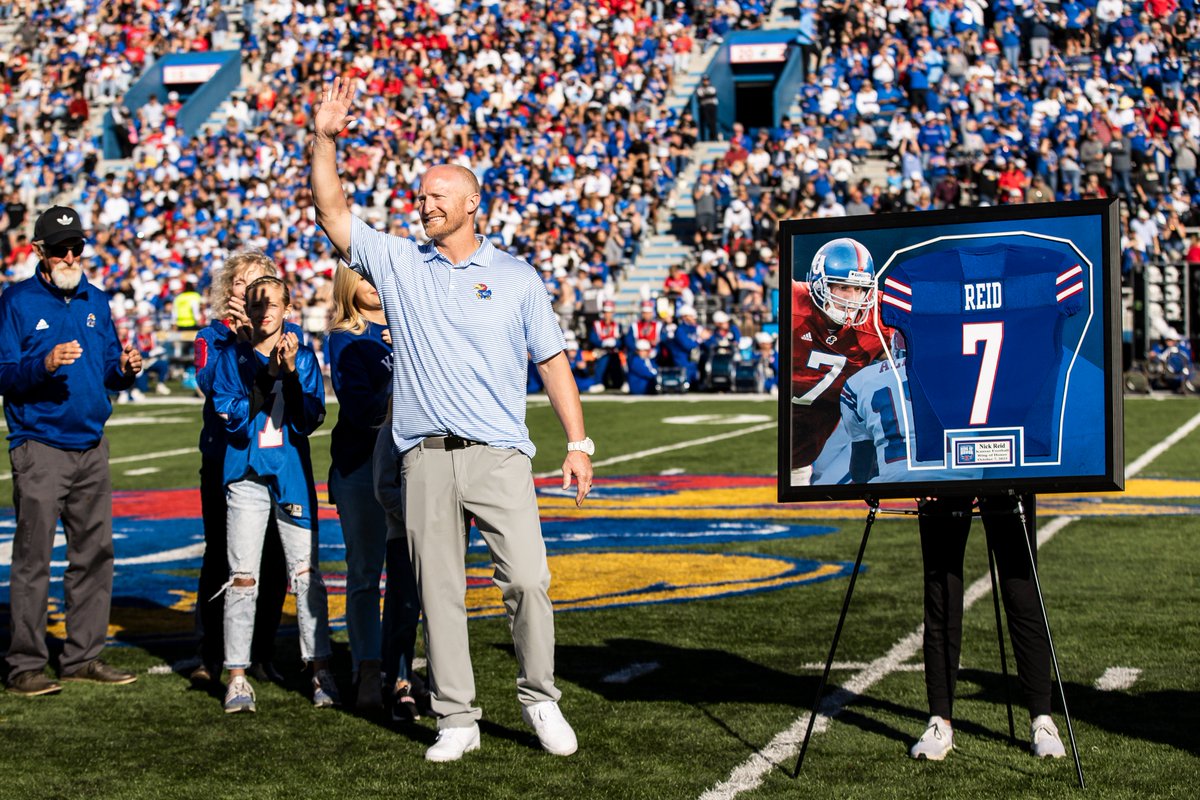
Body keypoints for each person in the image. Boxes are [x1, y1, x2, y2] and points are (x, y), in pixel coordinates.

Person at [310, 77, 594, 762]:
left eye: (438, 195)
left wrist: (578, 442)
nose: (425, 204)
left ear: (472, 203)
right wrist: (323, 140)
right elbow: (332, 211)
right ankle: (457, 717)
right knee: (438, 593)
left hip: (500, 454)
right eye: (420, 196)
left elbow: (552, 360)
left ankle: (539, 697)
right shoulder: (400, 264)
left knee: (527, 581)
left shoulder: (518, 276)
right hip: (425, 457)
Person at [0, 205, 142, 695]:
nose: (69, 256)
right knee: (33, 559)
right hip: (39, 444)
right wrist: (43, 364)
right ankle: (25, 665)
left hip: (91, 445)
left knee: (95, 555)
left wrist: (125, 368)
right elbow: (4, 373)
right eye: (59, 249)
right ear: (39, 251)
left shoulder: (95, 299)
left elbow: (109, 368)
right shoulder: (16, 301)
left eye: (76, 247)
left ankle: (83, 656)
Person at [210, 275, 338, 713]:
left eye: (272, 305)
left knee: (306, 574)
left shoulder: (302, 355)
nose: (265, 312)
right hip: (246, 473)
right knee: (243, 577)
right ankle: (237, 676)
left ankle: (319, 668)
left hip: (291, 473)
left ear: (287, 309)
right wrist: (267, 374)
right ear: (246, 310)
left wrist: (292, 374)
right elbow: (231, 417)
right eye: (256, 305)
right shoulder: (232, 356)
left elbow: (310, 419)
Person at [325, 266, 421, 715]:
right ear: (348, 286)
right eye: (363, 277)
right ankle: (366, 668)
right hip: (361, 465)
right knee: (365, 574)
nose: (374, 284)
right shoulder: (345, 337)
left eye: (377, 275)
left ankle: (401, 671)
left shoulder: (411, 325)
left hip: (412, 464)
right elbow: (360, 407)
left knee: (407, 576)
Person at [191, 250, 290, 685]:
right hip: (224, 459)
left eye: (258, 282)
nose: (248, 290)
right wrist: (240, 341)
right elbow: (211, 386)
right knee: (220, 555)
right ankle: (211, 653)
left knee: (273, 558)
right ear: (227, 289)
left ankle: (263, 651)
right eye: (240, 282)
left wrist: (258, 338)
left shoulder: (283, 334)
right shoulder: (210, 336)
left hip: (273, 460)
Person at [910, 494, 1067, 762]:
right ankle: (939, 721)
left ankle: (1042, 719)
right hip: (944, 474)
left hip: (1005, 473)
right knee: (941, 592)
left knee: (1022, 592)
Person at [791, 237, 889, 484]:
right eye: (843, 287)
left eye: (860, 289)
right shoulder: (793, 305)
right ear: (819, 284)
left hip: (806, 452)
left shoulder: (877, 321)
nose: (853, 299)